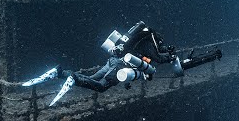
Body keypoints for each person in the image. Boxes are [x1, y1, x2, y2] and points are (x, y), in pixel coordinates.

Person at [21, 22, 223, 106]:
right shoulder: (149, 41)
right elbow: (158, 58)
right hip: (121, 67)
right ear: (157, 39)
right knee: (100, 87)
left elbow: (149, 55)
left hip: (113, 60)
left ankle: (60, 73)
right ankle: (71, 77)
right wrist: (168, 56)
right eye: (160, 42)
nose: (160, 45)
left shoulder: (138, 39)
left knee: (91, 80)